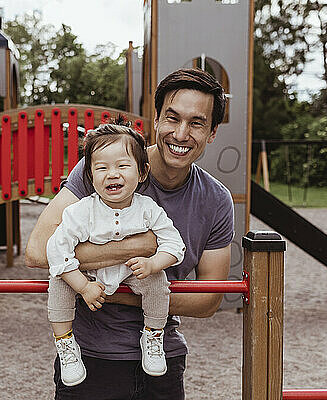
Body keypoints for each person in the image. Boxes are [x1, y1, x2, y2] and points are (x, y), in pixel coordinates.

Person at [25, 68, 234, 399]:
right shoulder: (107, 167)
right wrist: (138, 246)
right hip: (91, 355)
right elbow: (37, 251)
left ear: (212, 132)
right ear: (156, 119)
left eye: (196, 123)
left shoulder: (216, 199)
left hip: (163, 352)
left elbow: (208, 300)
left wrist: (103, 290)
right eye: (172, 118)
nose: (180, 133)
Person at [46, 124, 186, 387]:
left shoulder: (147, 209)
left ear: (142, 172)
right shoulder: (81, 211)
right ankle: (65, 342)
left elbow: (175, 244)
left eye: (123, 166)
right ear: (89, 175)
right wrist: (82, 285)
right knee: (58, 281)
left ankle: (153, 335)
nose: (112, 174)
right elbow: (57, 248)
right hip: (87, 274)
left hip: (131, 271)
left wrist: (153, 262)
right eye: (101, 168)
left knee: (158, 281)